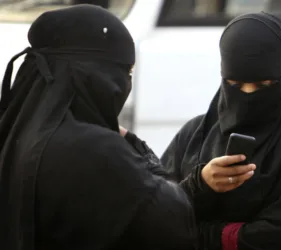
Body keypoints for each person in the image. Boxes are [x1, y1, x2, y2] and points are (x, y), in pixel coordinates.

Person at [0, 5, 196, 250]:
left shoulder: (14, 131)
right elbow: (175, 222)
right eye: (126, 72)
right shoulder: (95, 149)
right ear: (97, 75)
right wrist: (139, 150)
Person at [160, 12, 281, 250]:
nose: (247, 94)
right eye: (234, 85)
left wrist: (195, 236)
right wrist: (200, 184)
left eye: (263, 85)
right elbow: (155, 213)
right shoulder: (195, 134)